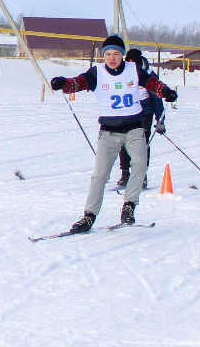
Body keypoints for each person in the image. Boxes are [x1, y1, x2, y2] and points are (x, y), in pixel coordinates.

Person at [50, 34, 178, 232]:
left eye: (116, 54)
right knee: (100, 175)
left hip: (134, 128)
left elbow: (152, 84)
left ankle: (129, 205)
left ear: (123, 56)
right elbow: (77, 83)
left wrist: (166, 92)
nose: (112, 58)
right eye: (108, 54)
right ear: (103, 56)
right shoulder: (97, 73)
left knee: (140, 163)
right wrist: (63, 83)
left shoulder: (133, 70)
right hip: (109, 132)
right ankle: (89, 216)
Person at [116, 48, 167, 189]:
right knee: (123, 142)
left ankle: (142, 176)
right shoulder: (123, 74)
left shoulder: (149, 75)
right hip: (126, 112)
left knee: (141, 144)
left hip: (145, 113)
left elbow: (157, 99)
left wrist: (160, 120)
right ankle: (125, 174)